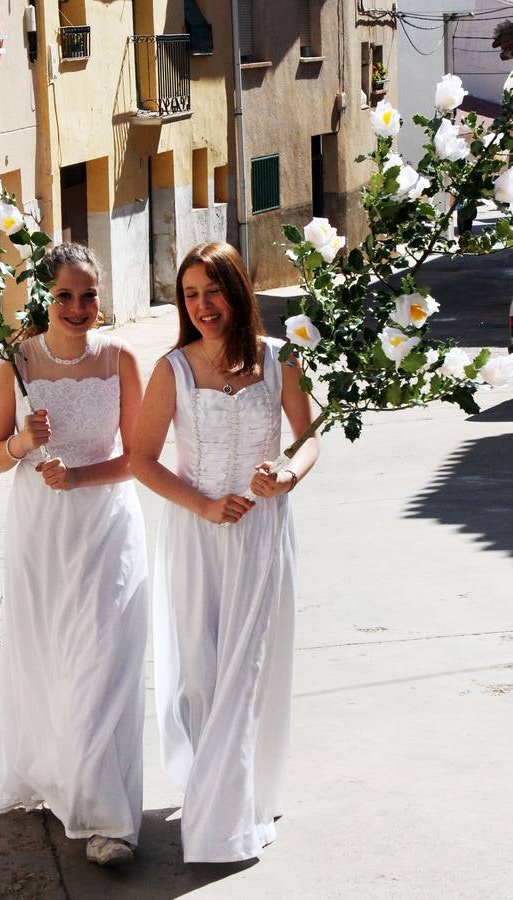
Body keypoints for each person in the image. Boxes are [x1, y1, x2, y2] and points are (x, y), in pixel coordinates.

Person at [131, 241, 319, 863]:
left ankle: (225, 817)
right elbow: (141, 458)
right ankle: (223, 787)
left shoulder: (278, 361)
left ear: (237, 292)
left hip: (263, 534)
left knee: (249, 673)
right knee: (203, 676)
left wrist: (287, 476)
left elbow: (308, 439)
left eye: (213, 291)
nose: (202, 305)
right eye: (190, 294)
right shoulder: (173, 369)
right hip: (197, 532)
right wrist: (206, 505)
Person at [0, 243, 148, 867]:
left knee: (104, 657)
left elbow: (138, 455)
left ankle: (109, 817)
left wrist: (80, 477)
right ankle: (61, 777)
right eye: (64, 296)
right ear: (43, 298)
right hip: (40, 530)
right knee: (51, 653)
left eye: (88, 295)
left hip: (106, 523)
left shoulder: (121, 359)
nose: (79, 308)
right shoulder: (14, 364)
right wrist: (24, 440)